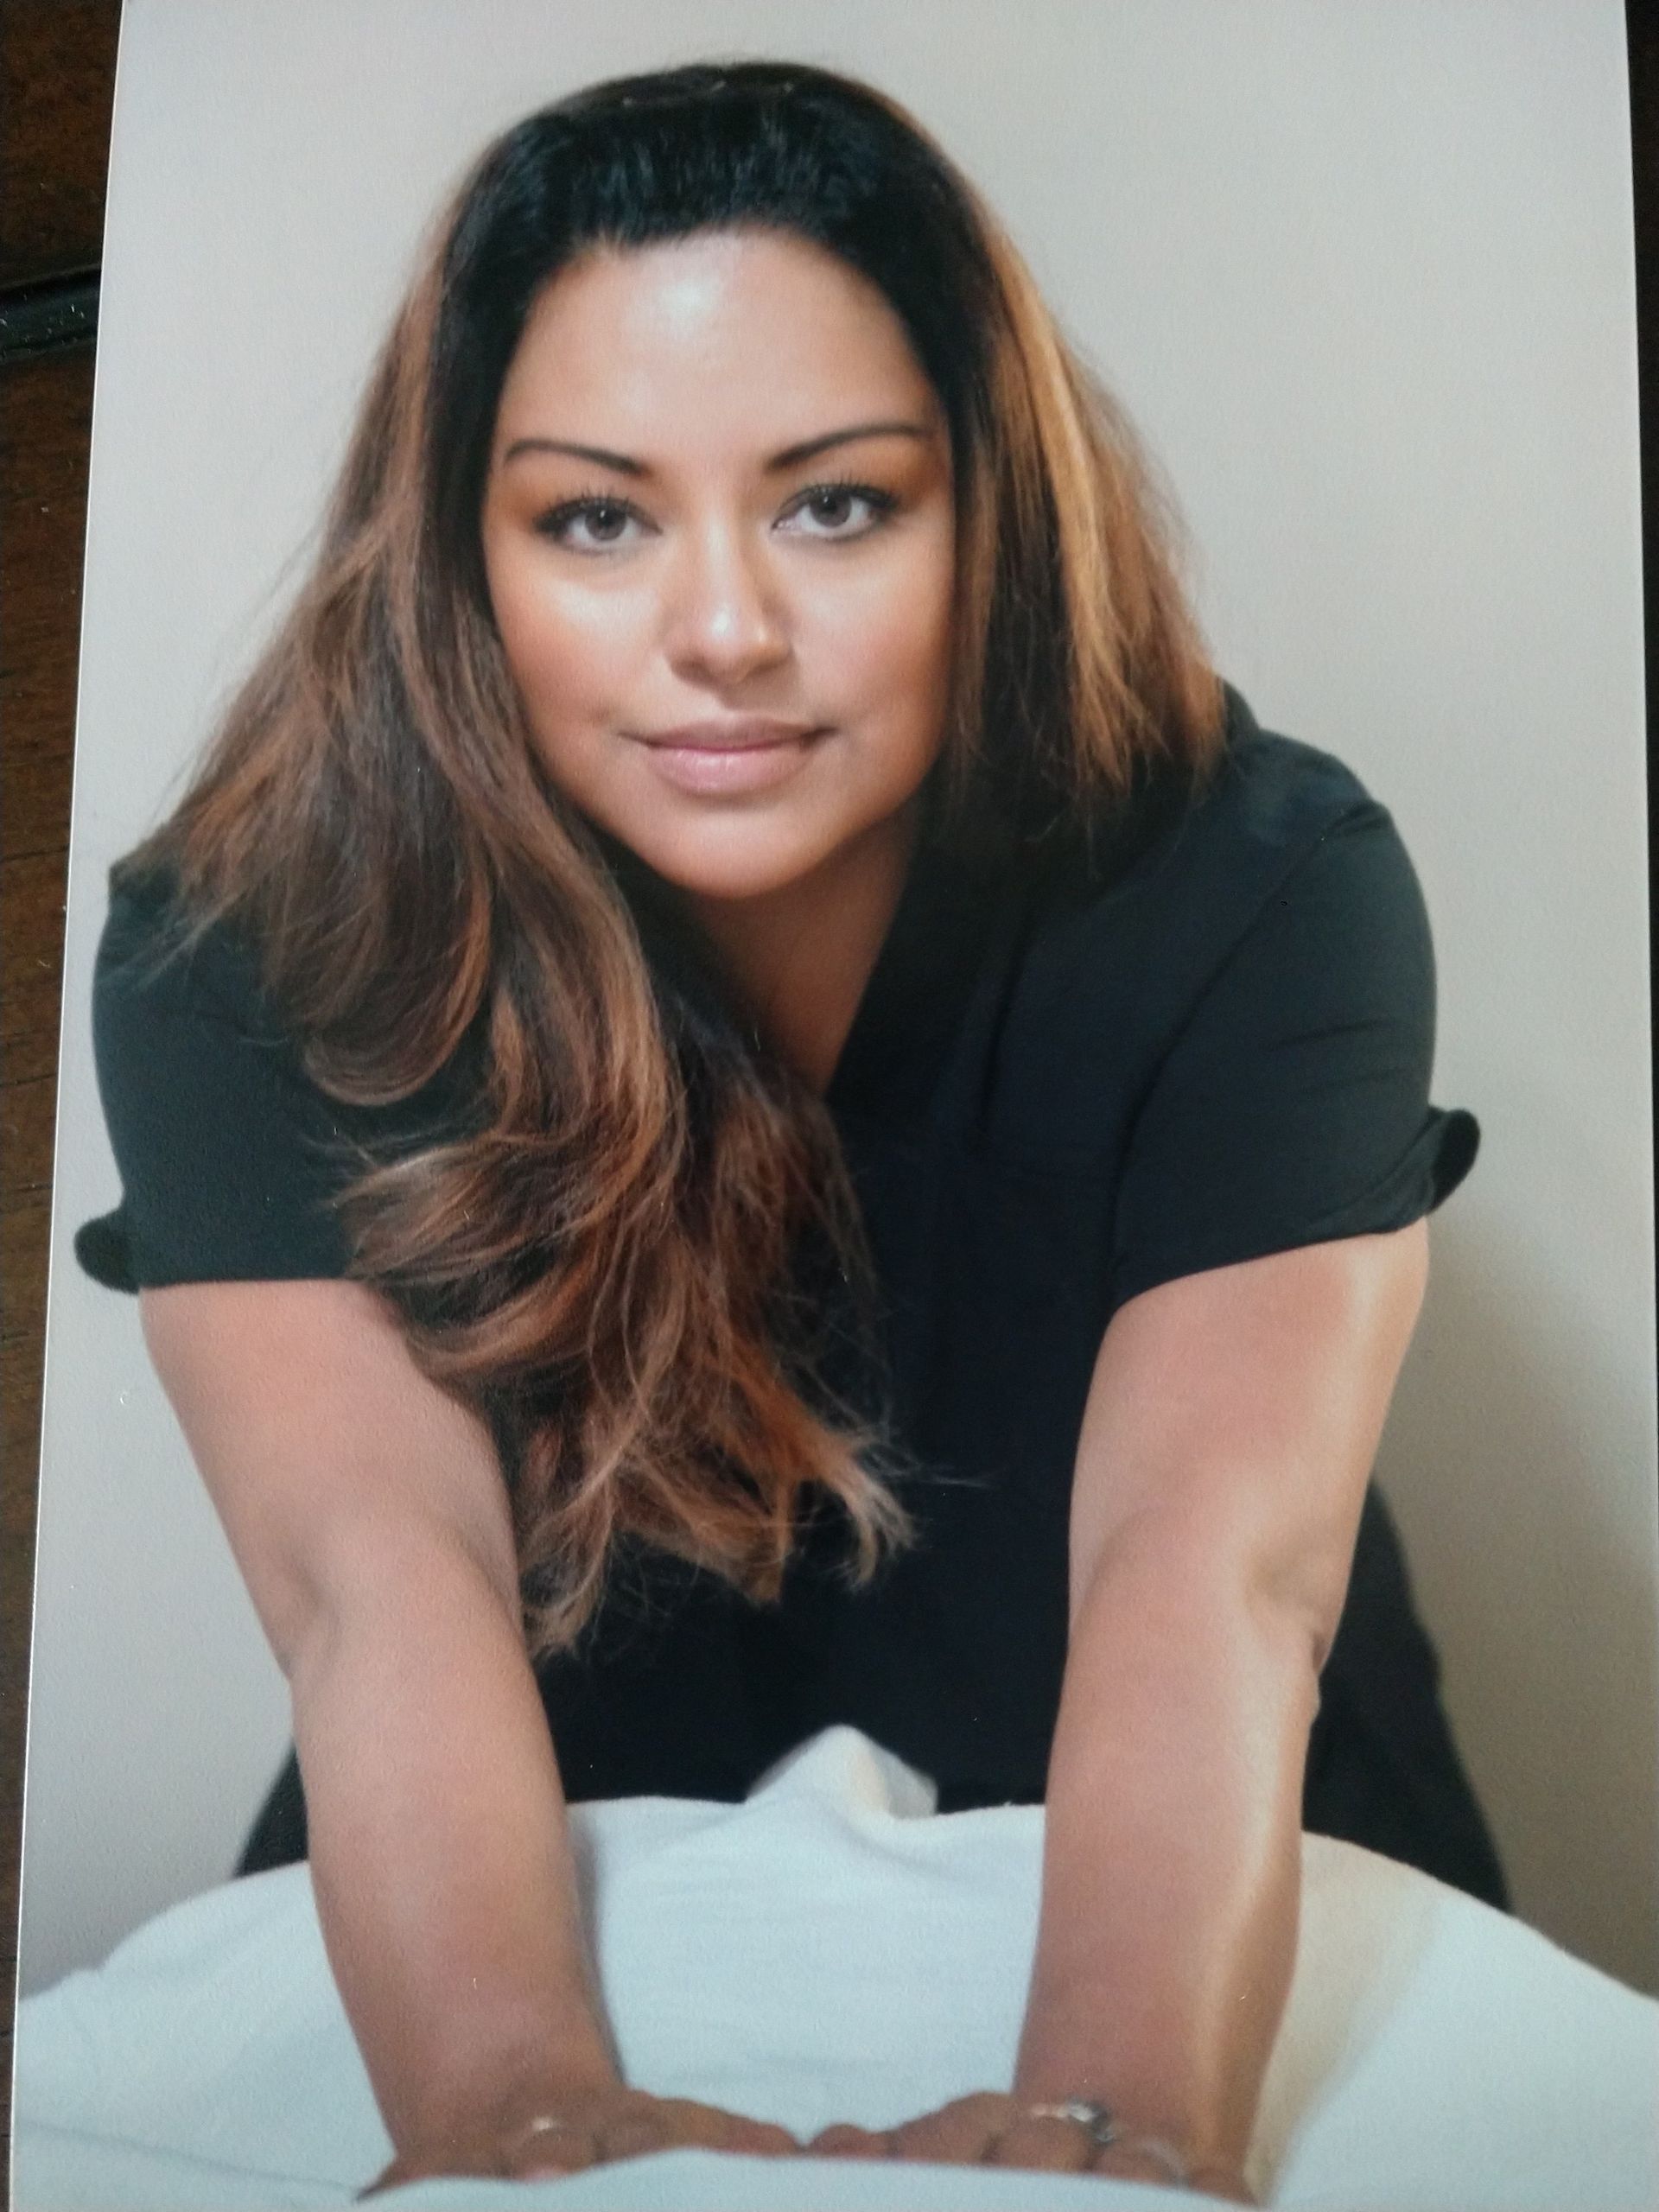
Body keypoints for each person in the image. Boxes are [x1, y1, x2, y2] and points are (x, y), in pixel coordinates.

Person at [74, 59, 1505, 2199]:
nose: (726, 630)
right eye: (595, 515)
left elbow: (1216, 1562)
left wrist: (1120, 2116)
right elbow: (384, 1579)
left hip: (1194, 1875)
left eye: (837, 500)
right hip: (519, 1902)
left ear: (988, 505)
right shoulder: (248, 945)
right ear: (458, 544)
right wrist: (509, 2108)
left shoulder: (1262, 887)